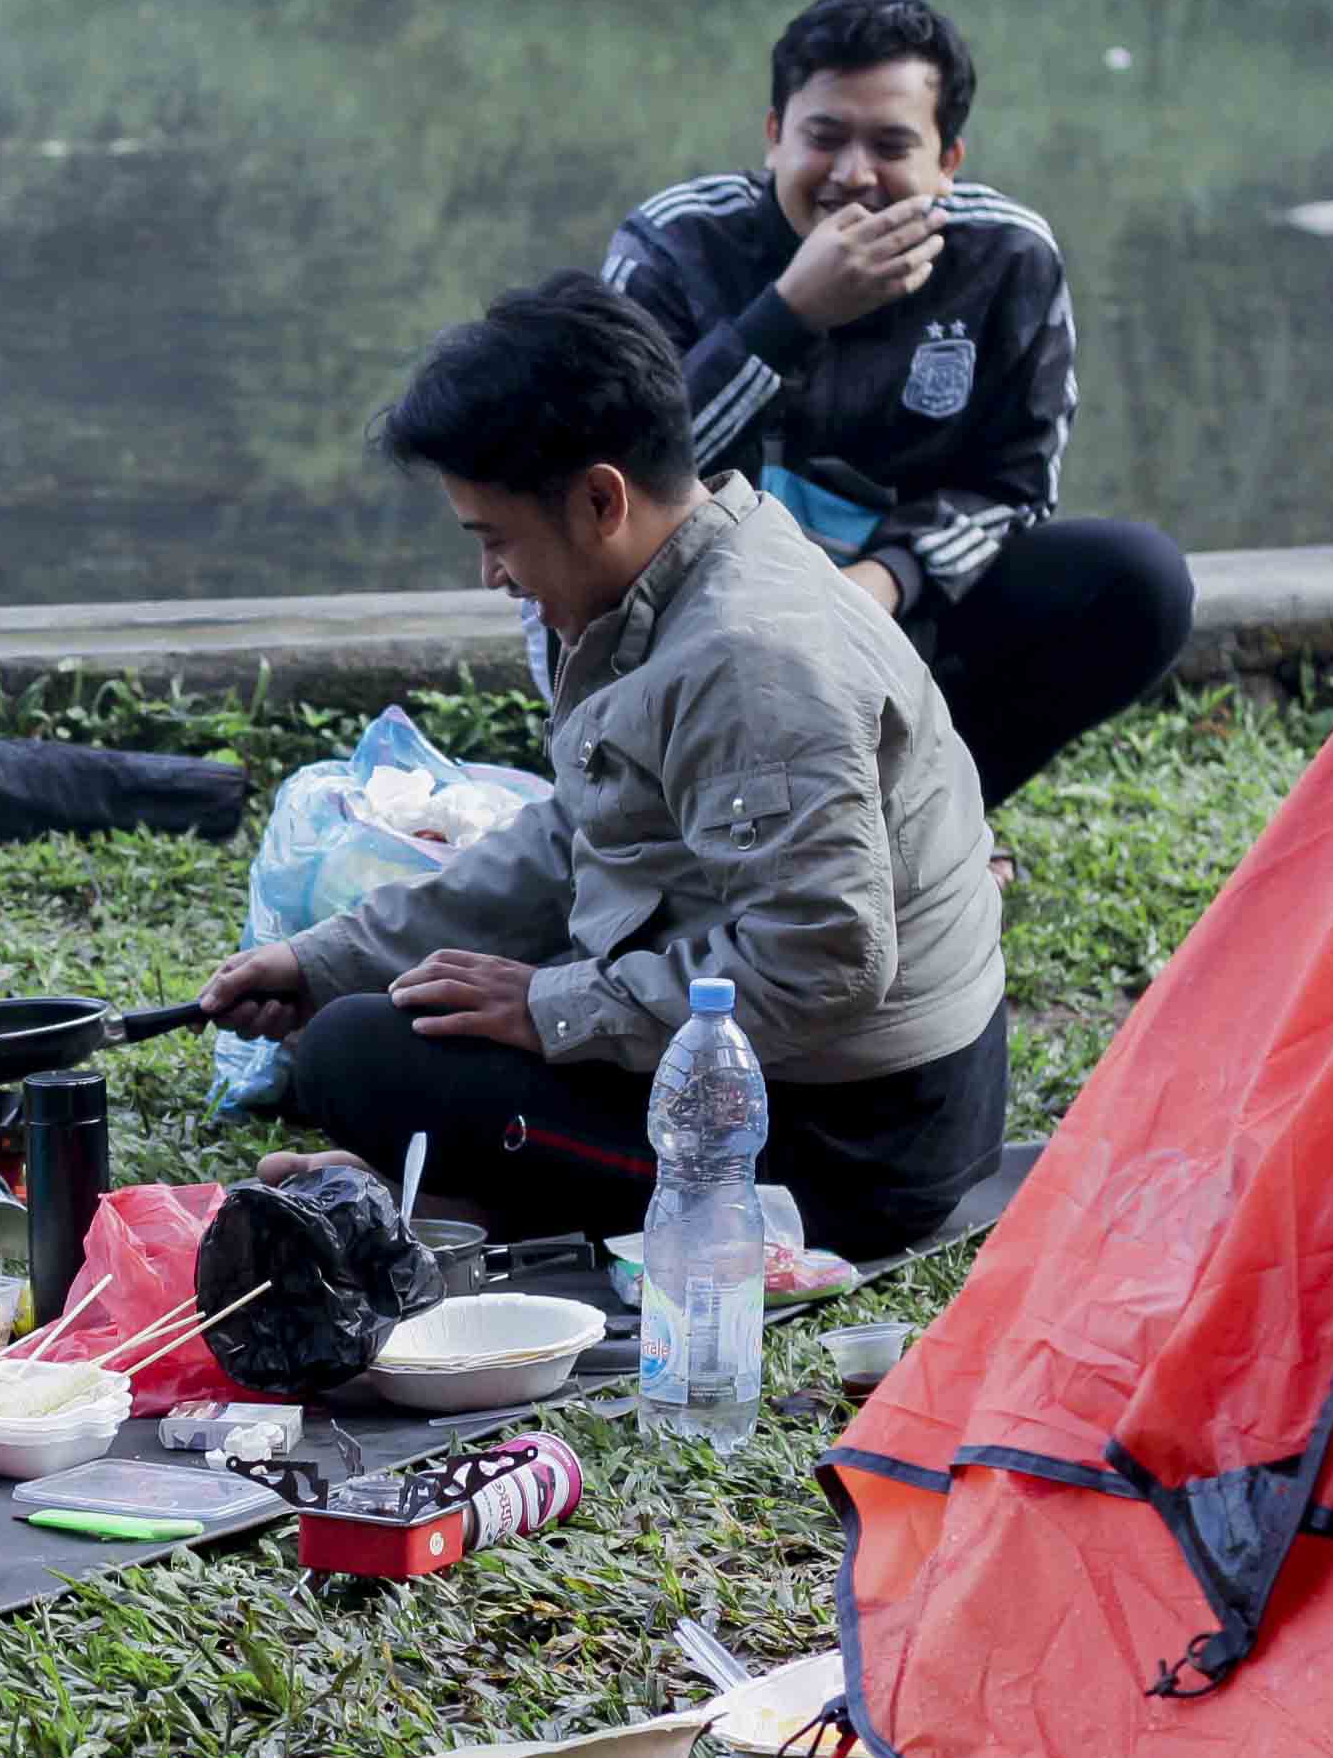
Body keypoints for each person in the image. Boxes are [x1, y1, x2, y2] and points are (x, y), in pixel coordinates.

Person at [199, 274, 1007, 1261]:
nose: (492, 575)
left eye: (496, 539)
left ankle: (476, 1204)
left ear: (599, 499)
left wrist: (555, 1008)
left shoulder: (747, 659)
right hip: (809, 1071)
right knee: (374, 1019)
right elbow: (574, 834)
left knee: (359, 1062)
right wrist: (330, 959)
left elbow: (824, 961)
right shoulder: (695, 571)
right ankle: (468, 1192)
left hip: (859, 1145)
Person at [592, 0, 1192, 814]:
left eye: (892, 145)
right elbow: (609, 477)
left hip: (898, 614)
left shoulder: (1007, 257)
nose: (853, 177)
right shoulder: (675, 242)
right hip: (701, 610)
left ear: (949, 160)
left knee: (1139, 582)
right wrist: (786, 318)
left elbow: (1014, 489)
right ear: (774, 136)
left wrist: (881, 582)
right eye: (824, 138)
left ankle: (922, 816)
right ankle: (679, 808)